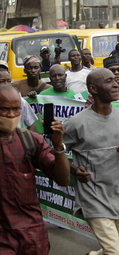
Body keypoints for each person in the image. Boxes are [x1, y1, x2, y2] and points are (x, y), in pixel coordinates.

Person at [63, 68, 119, 255]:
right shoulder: (76, 123)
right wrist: (74, 170)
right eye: (109, 81)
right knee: (115, 253)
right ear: (94, 89)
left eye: (115, 80)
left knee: (118, 251)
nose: (116, 84)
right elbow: (54, 154)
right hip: (93, 197)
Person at [0, 84, 70, 254]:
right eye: (4, 109)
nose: (11, 115)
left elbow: (62, 179)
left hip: (31, 234)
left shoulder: (31, 141)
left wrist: (58, 145)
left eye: (16, 109)